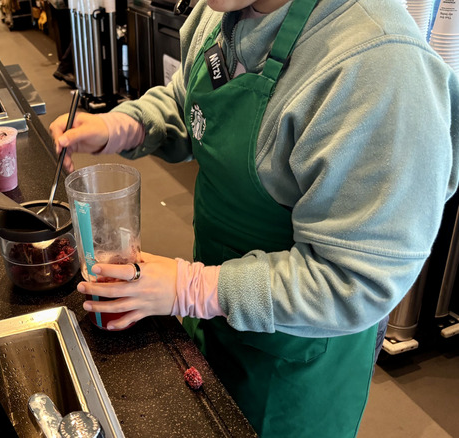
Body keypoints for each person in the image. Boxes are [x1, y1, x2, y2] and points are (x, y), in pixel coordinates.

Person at [48, 0, 459, 435]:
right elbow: (189, 101)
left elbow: (354, 281)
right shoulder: (220, 12)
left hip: (296, 359)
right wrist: (124, 125)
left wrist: (193, 288)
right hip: (215, 316)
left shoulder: (379, 65)